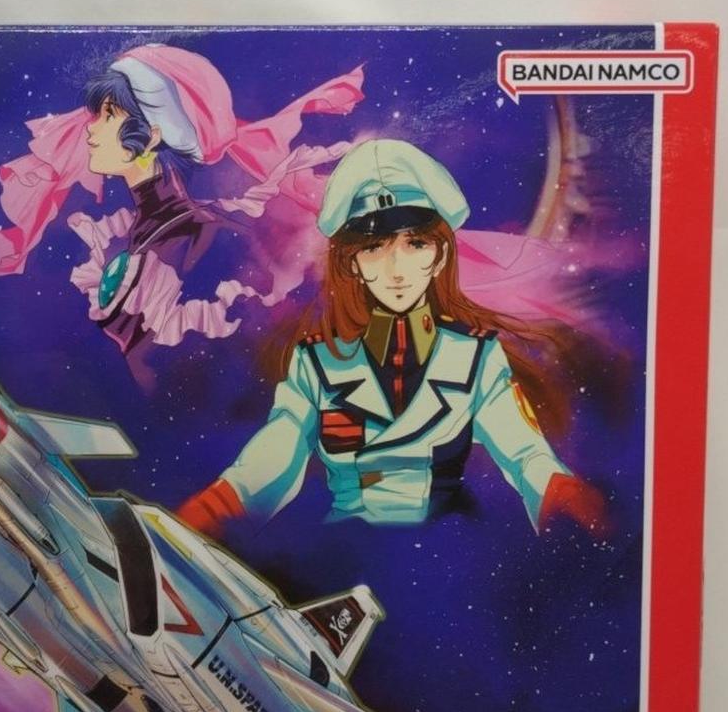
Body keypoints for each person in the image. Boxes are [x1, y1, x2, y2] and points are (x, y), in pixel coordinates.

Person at [177, 139, 607, 534]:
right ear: (352, 263)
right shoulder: (319, 365)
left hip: (449, 553)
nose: (397, 270)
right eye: (374, 248)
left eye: (415, 244)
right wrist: (220, 503)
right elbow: (278, 449)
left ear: (440, 254)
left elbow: (524, 452)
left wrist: (560, 491)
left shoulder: (476, 358)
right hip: (343, 554)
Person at [0, 44, 367, 388]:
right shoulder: (134, 232)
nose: (91, 130)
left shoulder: (196, 235)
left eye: (109, 116)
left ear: (153, 134)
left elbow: (192, 375)